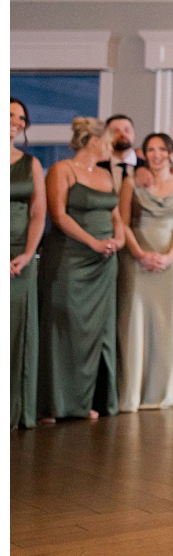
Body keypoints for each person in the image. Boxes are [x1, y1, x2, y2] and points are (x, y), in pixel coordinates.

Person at [37, 117, 126, 422]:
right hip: (71, 258)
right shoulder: (62, 169)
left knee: (96, 332)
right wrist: (92, 242)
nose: (111, 147)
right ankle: (55, 403)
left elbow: (116, 216)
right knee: (65, 326)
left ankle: (87, 399)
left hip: (104, 262)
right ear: (93, 141)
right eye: (108, 140)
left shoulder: (106, 174)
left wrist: (119, 239)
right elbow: (58, 215)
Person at [116, 133, 173, 412]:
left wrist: (171, 254)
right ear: (144, 154)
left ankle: (161, 392)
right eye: (151, 149)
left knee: (166, 324)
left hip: (170, 259)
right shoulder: (131, 182)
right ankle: (130, 393)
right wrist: (139, 254)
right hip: (136, 257)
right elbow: (122, 223)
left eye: (162, 149)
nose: (156, 154)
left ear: (171, 152)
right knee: (133, 321)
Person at [10, 99, 46, 429]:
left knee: (17, 331)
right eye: (9, 115)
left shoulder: (30, 163)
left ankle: (16, 409)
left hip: (21, 257)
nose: (16, 122)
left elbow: (38, 212)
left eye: (22, 117)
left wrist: (28, 252)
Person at [102, 113, 139, 189]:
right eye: (116, 131)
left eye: (127, 130)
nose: (123, 134)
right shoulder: (99, 167)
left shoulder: (146, 166)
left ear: (134, 133)